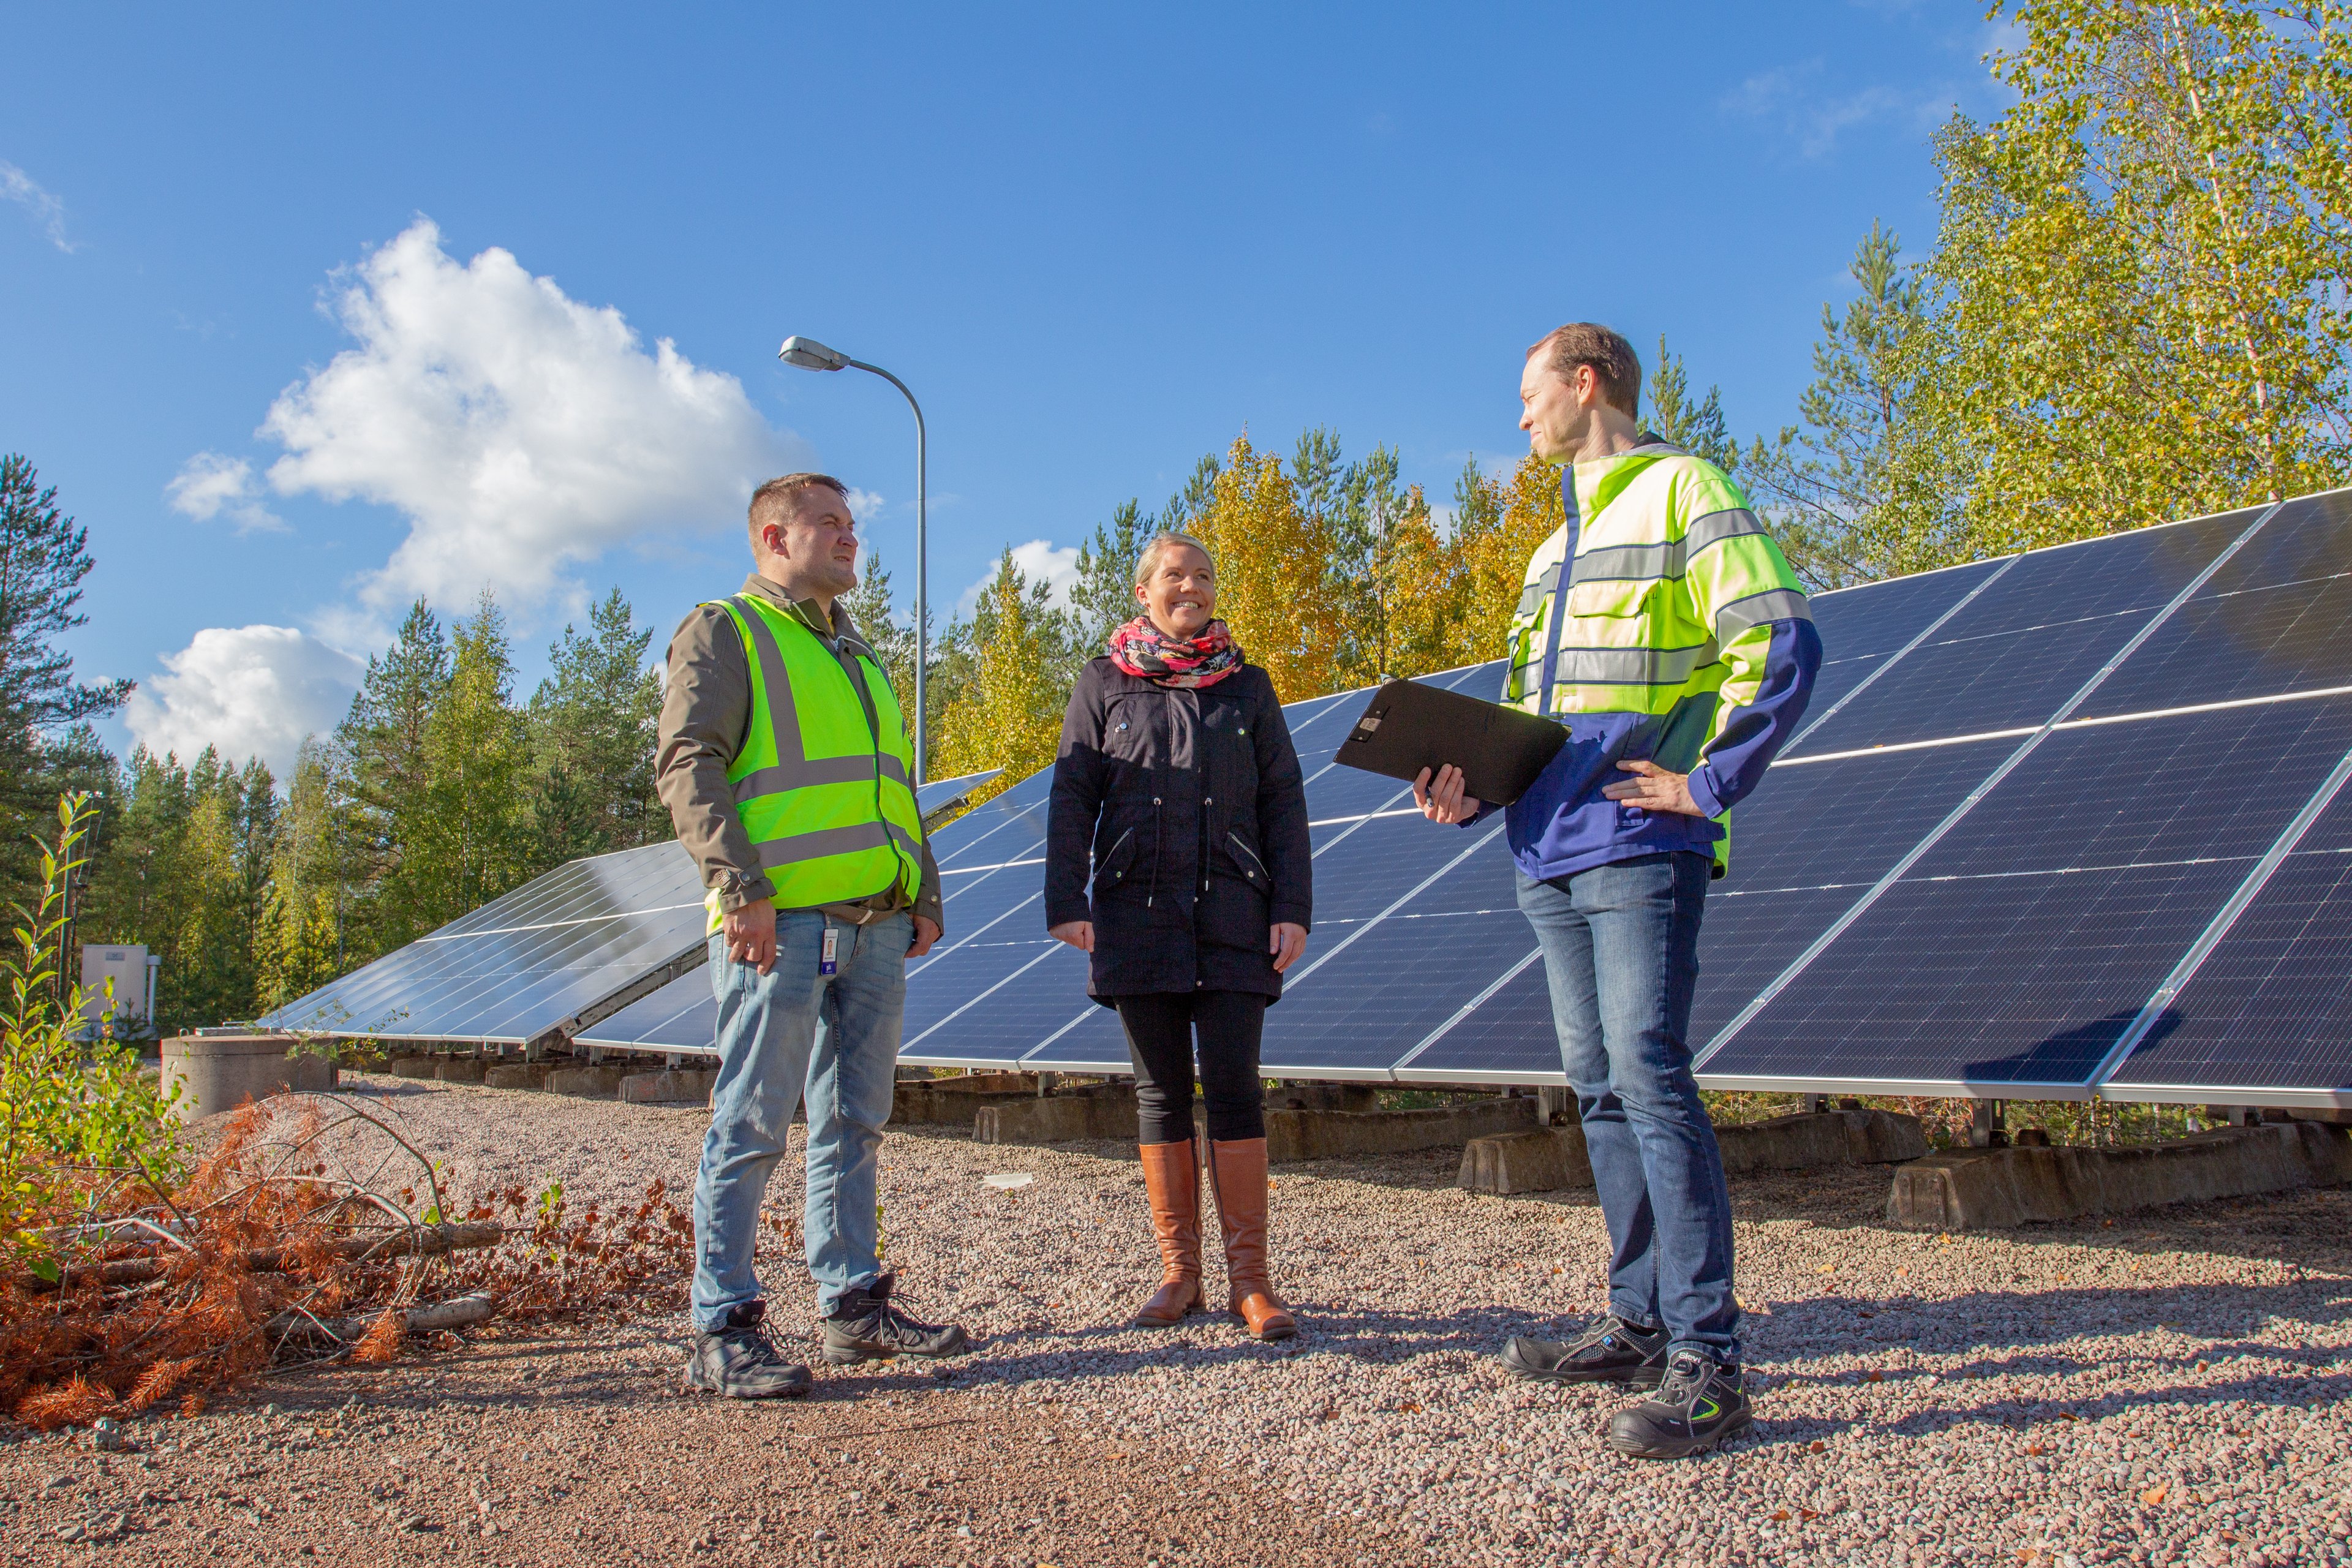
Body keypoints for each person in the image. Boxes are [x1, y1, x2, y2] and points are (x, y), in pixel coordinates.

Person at [1415, 325, 1820, 1458]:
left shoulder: (1688, 492)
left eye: (1530, 395)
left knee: (1648, 1072)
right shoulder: (1550, 552)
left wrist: (1710, 780)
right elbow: (1532, 722)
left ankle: (1711, 1358)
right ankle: (1640, 1321)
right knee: (1595, 1084)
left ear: (1585, 385)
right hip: (1546, 850)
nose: (1522, 419)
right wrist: (1469, 787)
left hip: (1643, 839)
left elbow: (1783, 644)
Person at [656, 471, 971, 1398]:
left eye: (852, 524)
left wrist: (925, 890)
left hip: (875, 929)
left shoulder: (860, 657)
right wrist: (739, 885)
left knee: (853, 1122)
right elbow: (688, 764)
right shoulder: (726, 630)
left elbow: (890, 790)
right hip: (777, 925)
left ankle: (851, 1308)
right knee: (753, 1122)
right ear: (771, 538)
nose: (849, 537)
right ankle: (721, 1326)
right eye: (827, 523)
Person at [1045, 532, 1313, 1341]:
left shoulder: (1248, 688)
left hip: (1234, 914)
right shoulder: (1102, 684)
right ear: (1143, 591)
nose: (1189, 586)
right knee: (1160, 1094)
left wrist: (1291, 905)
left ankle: (1250, 1283)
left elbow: (1284, 804)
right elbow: (1071, 799)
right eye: (1173, 575)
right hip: (1136, 916)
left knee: (1235, 1087)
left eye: (1202, 576)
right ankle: (1179, 1276)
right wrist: (1067, 897)